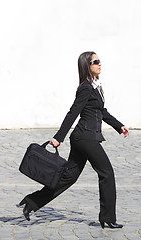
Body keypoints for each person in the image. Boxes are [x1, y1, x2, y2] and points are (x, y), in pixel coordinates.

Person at [18, 51, 129, 229]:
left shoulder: (96, 86)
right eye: (96, 61)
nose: (100, 64)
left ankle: (32, 202)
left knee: (68, 177)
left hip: (83, 137)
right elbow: (73, 112)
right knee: (106, 173)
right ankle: (107, 217)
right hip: (85, 138)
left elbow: (102, 111)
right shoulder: (86, 87)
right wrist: (58, 138)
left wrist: (119, 126)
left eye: (99, 61)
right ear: (87, 65)